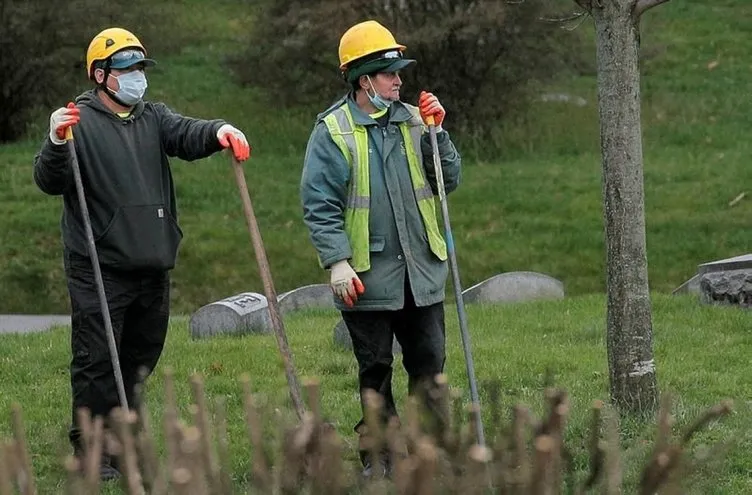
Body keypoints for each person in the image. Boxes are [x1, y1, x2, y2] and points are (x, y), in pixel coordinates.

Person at [32, 27, 250, 480]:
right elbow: (48, 180)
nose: (137, 77)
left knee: (140, 355)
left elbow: (186, 133)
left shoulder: (153, 117)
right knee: (97, 360)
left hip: (152, 263)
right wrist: (55, 140)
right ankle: (92, 452)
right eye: (127, 69)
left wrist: (219, 131)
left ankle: (124, 438)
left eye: (140, 68)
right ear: (101, 75)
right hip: (100, 266)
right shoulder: (78, 122)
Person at [299, 20, 462, 477]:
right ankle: (380, 456)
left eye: (398, 73)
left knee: (430, 364)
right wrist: (336, 263)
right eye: (390, 73)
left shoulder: (415, 120)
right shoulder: (333, 131)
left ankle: (431, 449)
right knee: (376, 370)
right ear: (363, 79)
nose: (399, 81)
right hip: (365, 277)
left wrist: (440, 133)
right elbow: (320, 204)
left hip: (421, 270)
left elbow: (447, 180)